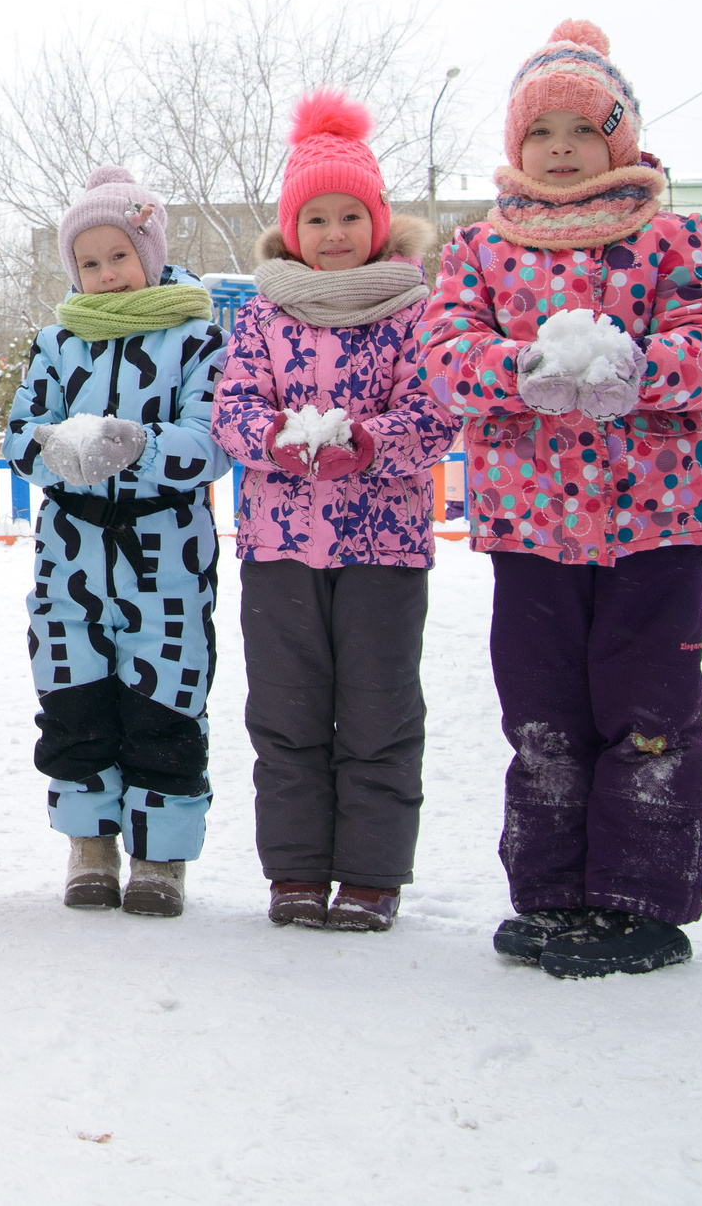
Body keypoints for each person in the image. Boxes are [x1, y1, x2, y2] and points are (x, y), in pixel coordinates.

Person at [419, 21, 702, 978]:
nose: (560, 147)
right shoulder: (480, 249)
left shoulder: (673, 237)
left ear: (622, 138)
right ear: (517, 148)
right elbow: (444, 356)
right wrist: (518, 370)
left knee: (650, 710)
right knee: (545, 716)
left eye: (581, 128)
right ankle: (554, 892)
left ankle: (642, 897)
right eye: (541, 132)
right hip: (529, 531)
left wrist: (639, 367)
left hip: (657, 527)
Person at [211, 90, 457, 933]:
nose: (335, 233)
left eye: (351, 214)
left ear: (380, 222)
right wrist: (276, 439)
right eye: (316, 218)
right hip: (279, 546)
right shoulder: (264, 313)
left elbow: (434, 413)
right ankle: (295, 872)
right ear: (292, 229)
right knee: (286, 714)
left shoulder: (414, 311)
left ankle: (371, 874)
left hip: (384, 549)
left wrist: (369, 442)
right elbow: (233, 409)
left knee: (380, 711)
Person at [3, 165, 230, 919]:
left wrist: (139, 445)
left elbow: (212, 441)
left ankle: (161, 851)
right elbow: (18, 436)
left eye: (119, 256)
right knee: (74, 695)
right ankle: (90, 842)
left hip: (166, 552)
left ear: (151, 251)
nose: (105, 274)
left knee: (165, 696)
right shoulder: (57, 341)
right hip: (70, 554)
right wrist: (57, 451)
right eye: (89, 262)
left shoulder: (196, 337)